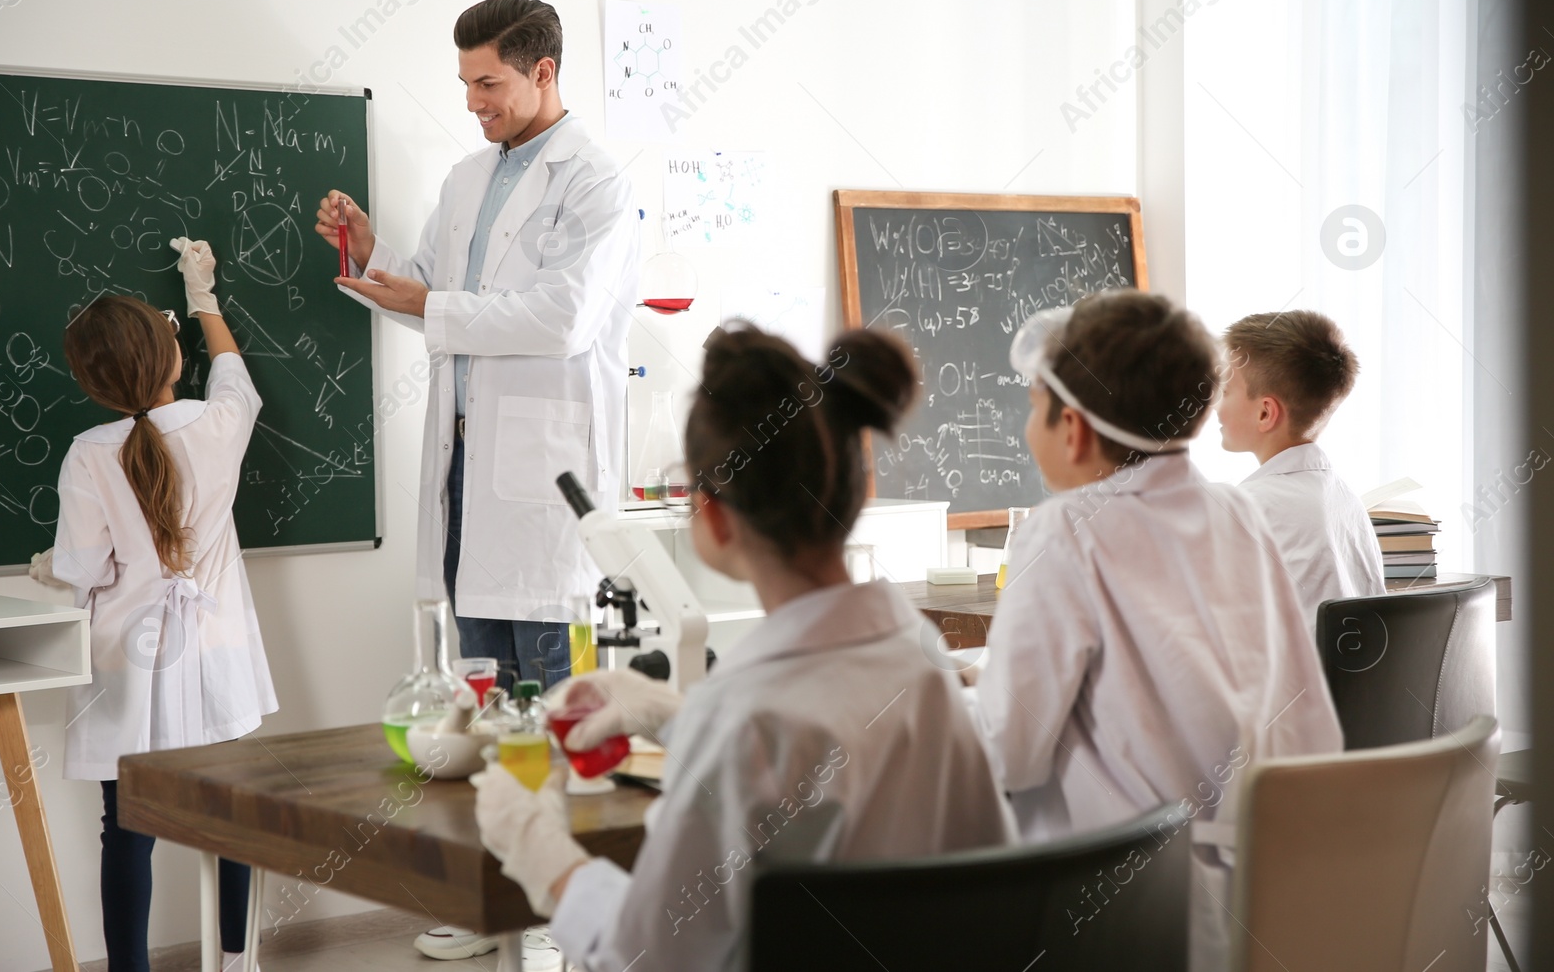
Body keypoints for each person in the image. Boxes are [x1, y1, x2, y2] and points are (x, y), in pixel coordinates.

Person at [472, 324, 1013, 972]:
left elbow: (648, 956)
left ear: (715, 515)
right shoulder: (918, 660)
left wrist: (543, 855)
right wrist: (675, 716)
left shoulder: (743, 718)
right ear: (852, 489)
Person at [315, 0, 637, 965]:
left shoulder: (599, 182)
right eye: (464, 84)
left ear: (544, 72)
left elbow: (561, 319)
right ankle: (492, 894)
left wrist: (435, 298)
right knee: (478, 708)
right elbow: (429, 290)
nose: (473, 104)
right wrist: (370, 254)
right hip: (465, 486)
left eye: (488, 84)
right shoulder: (467, 178)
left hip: (543, 492)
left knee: (547, 706)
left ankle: (554, 908)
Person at [971, 291, 1342, 971]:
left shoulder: (1064, 531)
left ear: (1073, 429)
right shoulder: (1238, 512)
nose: (1029, 429)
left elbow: (1008, 752)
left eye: (1033, 407)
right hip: (1272, 892)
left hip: (1126, 912)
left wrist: (953, 700)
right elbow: (1308, 720)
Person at [32, 239, 276, 972]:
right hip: (216, 652)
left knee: (127, 827)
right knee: (230, 812)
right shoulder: (212, 424)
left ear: (93, 383)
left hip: (128, 667)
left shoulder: (88, 452)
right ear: (170, 355)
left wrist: (48, 567)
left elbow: (84, 567)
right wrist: (202, 296)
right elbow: (236, 378)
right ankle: (236, 961)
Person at [1217, 309, 1385, 622]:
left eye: (1225, 391)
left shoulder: (1248, 507)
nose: (1216, 404)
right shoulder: (1346, 501)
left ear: (1265, 413)